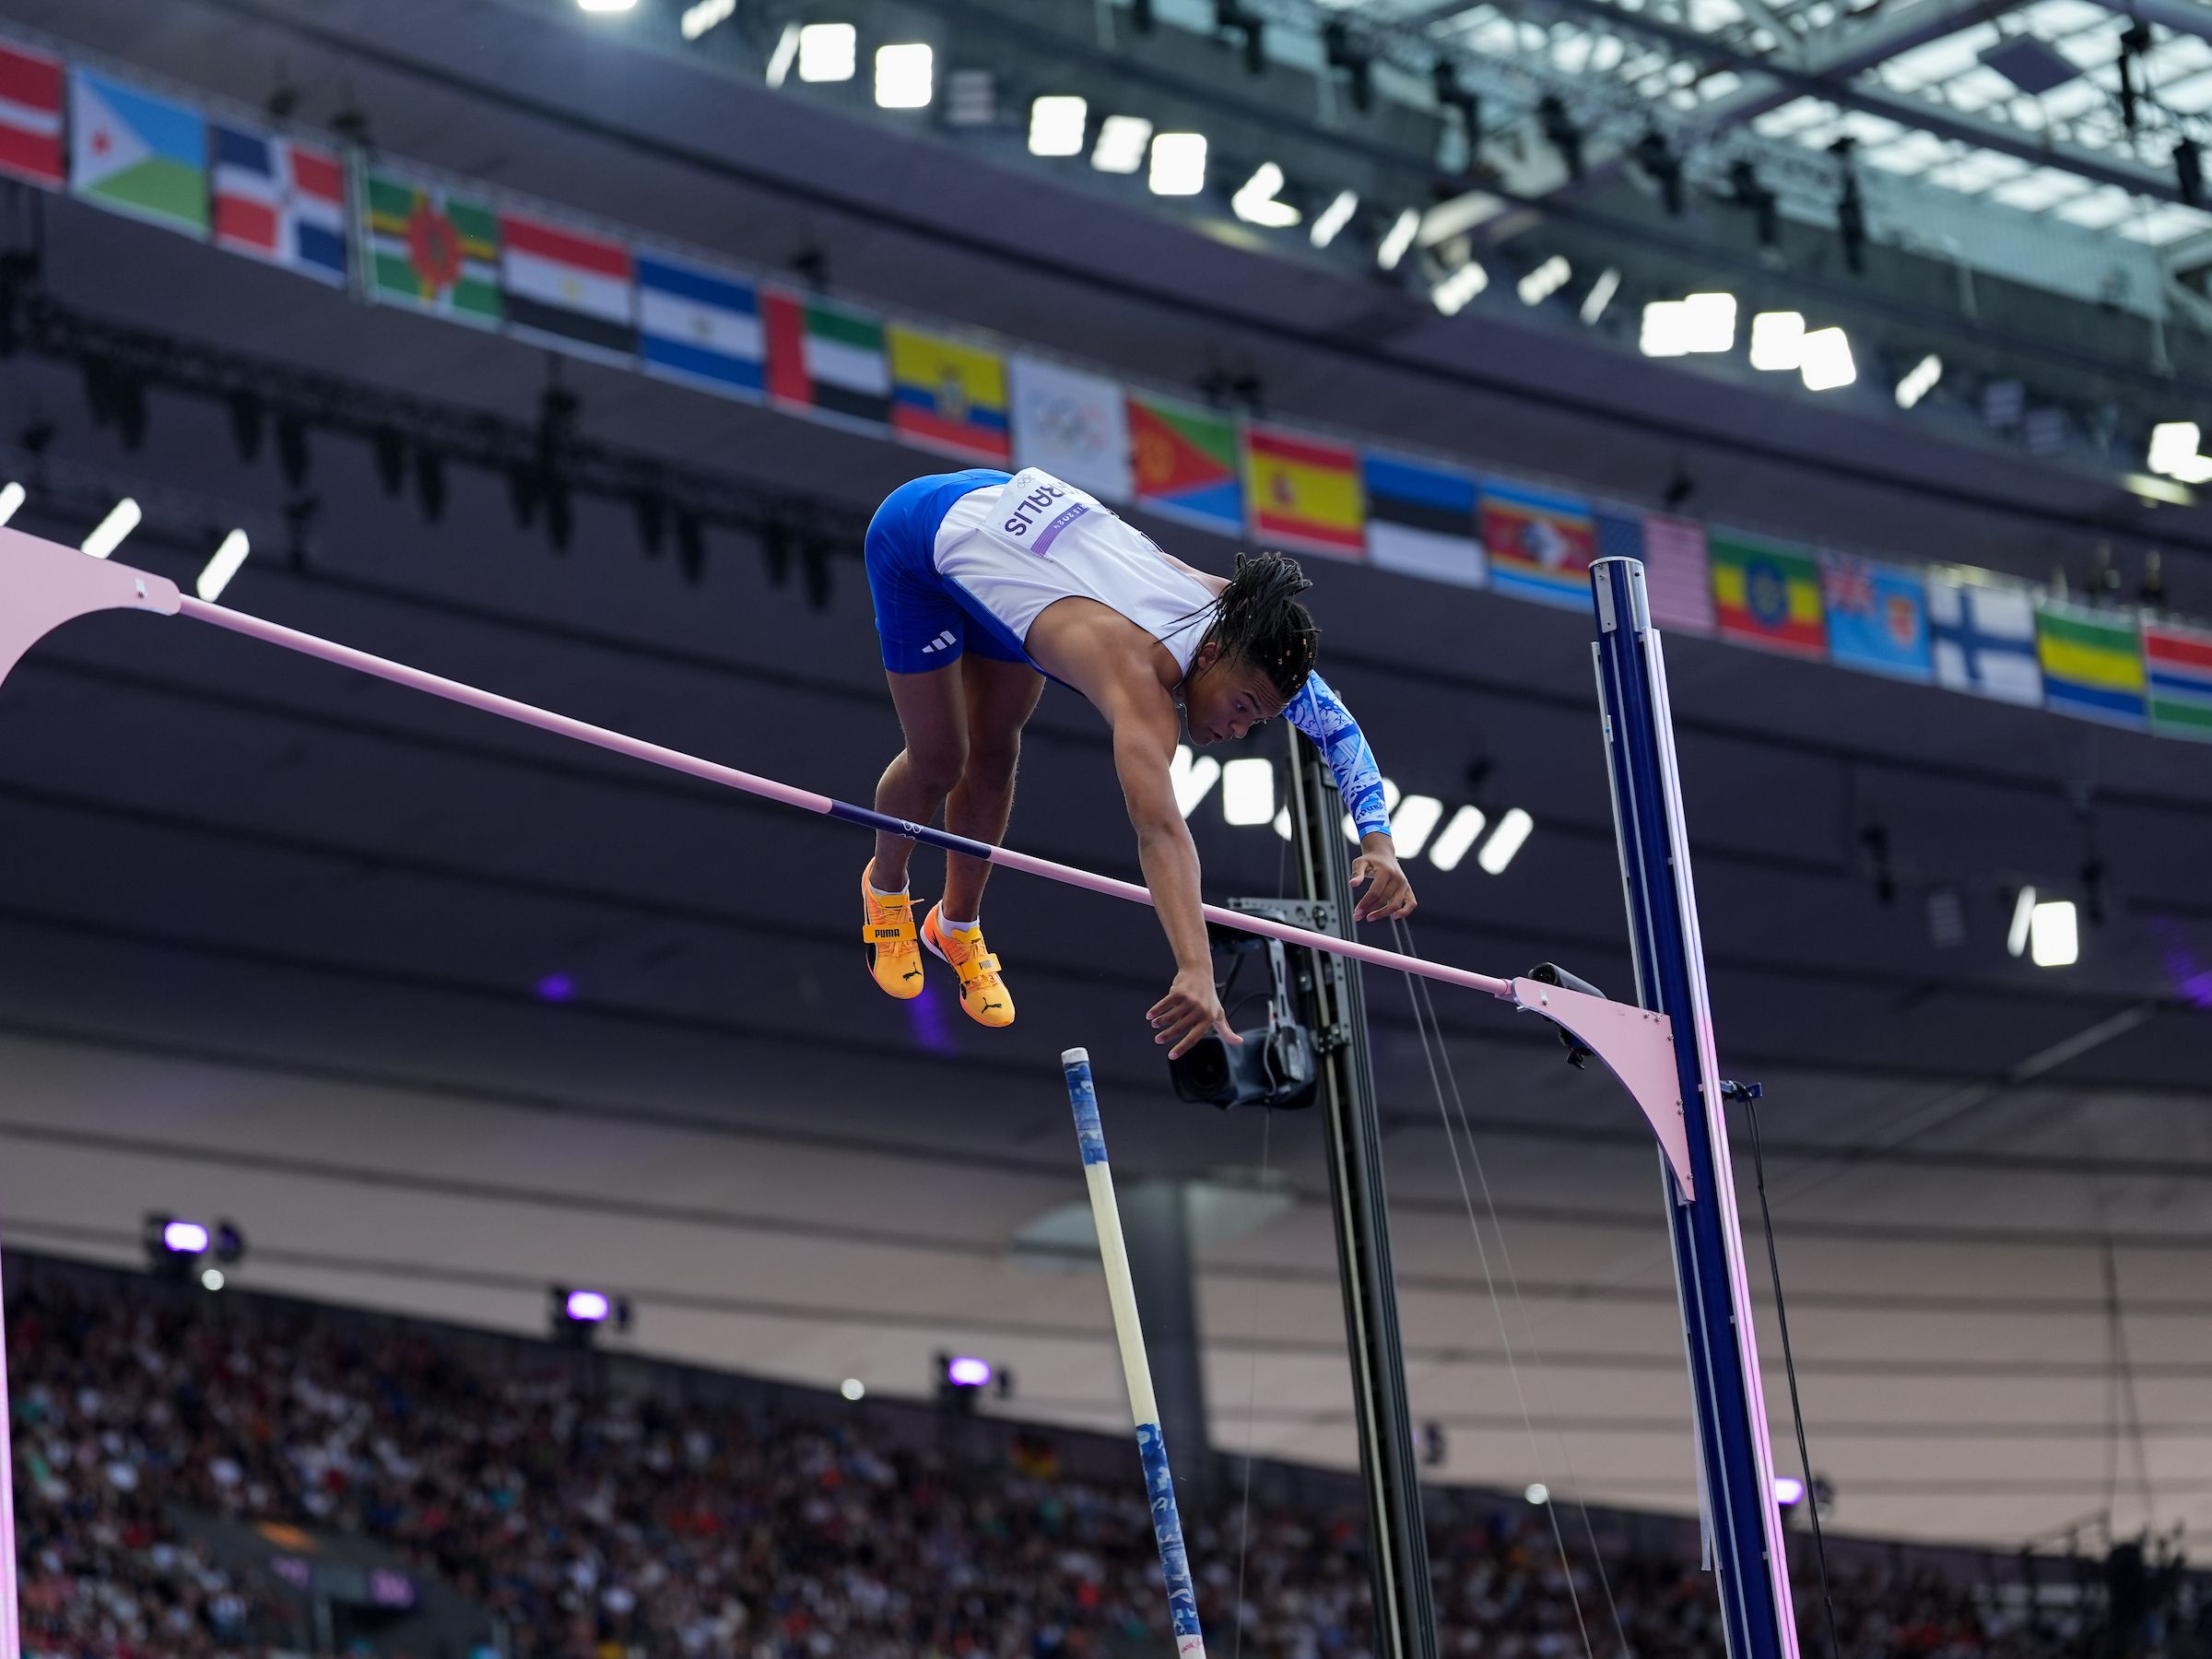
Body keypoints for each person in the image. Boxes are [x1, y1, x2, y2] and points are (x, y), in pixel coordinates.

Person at [859, 465, 1415, 1057]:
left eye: (1258, 720)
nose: (1239, 728)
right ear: (1210, 654)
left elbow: (1339, 730)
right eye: (1243, 707)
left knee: (995, 752)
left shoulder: (1242, 621)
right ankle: (885, 891)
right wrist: (1195, 968)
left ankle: (955, 928)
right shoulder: (1140, 687)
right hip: (920, 534)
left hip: (1021, 545)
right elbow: (1161, 834)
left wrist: (1379, 841)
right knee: (942, 759)